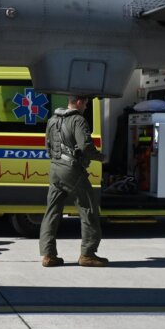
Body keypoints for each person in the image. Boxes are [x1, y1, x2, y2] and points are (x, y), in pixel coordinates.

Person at [39, 95, 108, 267]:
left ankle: (48, 255)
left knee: (52, 212)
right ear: (78, 102)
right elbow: (85, 146)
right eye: (85, 103)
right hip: (71, 169)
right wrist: (101, 157)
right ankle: (88, 254)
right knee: (88, 209)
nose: (86, 106)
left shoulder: (52, 120)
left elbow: (47, 145)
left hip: (55, 168)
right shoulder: (78, 120)